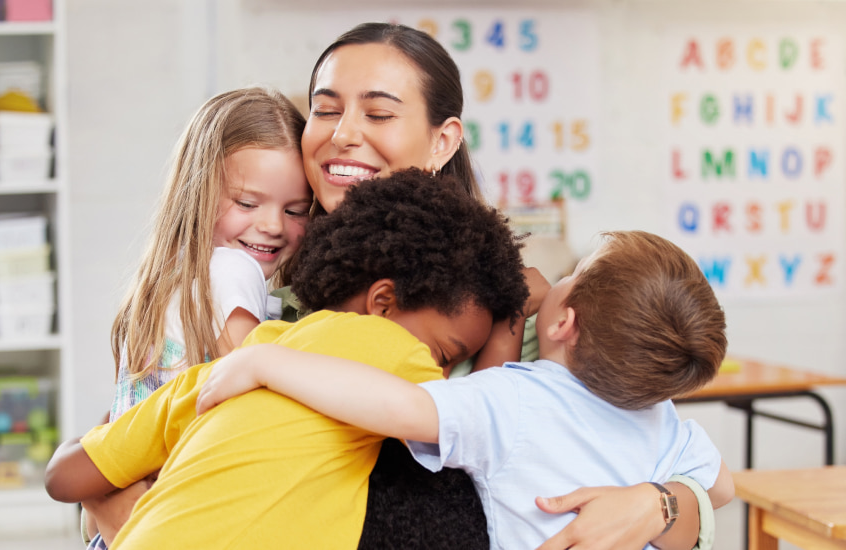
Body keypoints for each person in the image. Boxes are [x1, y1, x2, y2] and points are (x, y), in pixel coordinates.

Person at [297, 23, 720, 549]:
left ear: (443, 141)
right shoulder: (265, 274)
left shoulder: (505, 304)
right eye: (326, 109)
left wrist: (655, 504)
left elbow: (694, 487)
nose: (343, 134)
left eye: (379, 113)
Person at [45, 172, 531, 549]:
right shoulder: (392, 349)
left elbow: (64, 476)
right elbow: (474, 423)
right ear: (383, 303)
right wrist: (513, 319)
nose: (440, 373)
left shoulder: (226, 370)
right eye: (444, 355)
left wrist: (107, 443)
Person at [199, 230, 736, 549]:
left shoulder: (516, 402)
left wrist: (271, 362)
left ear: (562, 324)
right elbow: (723, 487)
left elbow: (400, 406)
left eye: (576, 273)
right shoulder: (658, 411)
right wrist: (657, 498)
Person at [86, 86, 312, 543]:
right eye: (247, 203)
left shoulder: (163, 282)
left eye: (295, 210)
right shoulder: (233, 269)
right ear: (199, 190)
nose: (271, 225)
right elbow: (257, 385)